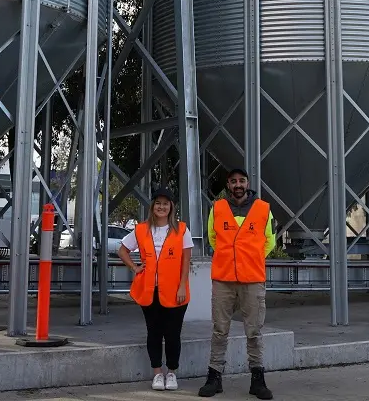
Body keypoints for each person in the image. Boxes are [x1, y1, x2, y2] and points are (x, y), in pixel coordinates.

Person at [198, 168, 276, 399]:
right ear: (228, 185)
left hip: (252, 280)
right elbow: (213, 238)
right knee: (219, 330)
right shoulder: (218, 208)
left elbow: (269, 240)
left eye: (241, 181)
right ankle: (214, 378)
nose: (238, 185)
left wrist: (249, 259)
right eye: (233, 182)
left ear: (247, 183)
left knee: (254, 331)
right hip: (223, 280)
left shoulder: (263, 209)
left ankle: (258, 379)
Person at [117, 186, 195, 391]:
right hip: (149, 289)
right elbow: (122, 250)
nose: (162, 207)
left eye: (166, 203)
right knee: (153, 333)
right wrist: (135, 267)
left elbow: (186, 261)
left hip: (175, 291)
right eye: (158, 203)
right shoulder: (141, 229)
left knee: (172, 334)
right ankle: (157, 374)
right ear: (153, 206)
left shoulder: (182, 229)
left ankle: (172, 373)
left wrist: (182, 287)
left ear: (171, 207)